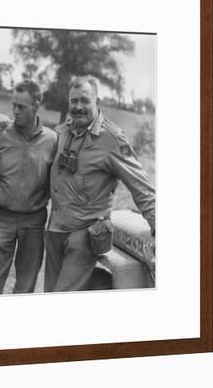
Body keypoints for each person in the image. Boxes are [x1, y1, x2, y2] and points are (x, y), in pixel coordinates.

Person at [45, 76, 156, 292]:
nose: (78, 107)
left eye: (85, 101)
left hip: (84, 235)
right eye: (73, 101)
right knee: (49, 292)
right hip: (55, 230)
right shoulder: (62, 132)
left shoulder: (111, 139)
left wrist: (158, 223)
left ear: (97, 102)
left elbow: (141, 185)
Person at [0, 80, 57, 295]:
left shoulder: (52, 140)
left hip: (34, 221)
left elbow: (58, 181)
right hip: (2, 218)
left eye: (22, 107)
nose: (16, 111)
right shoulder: (1, 132)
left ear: (37, 105)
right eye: (14, 105)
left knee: (25, 287)